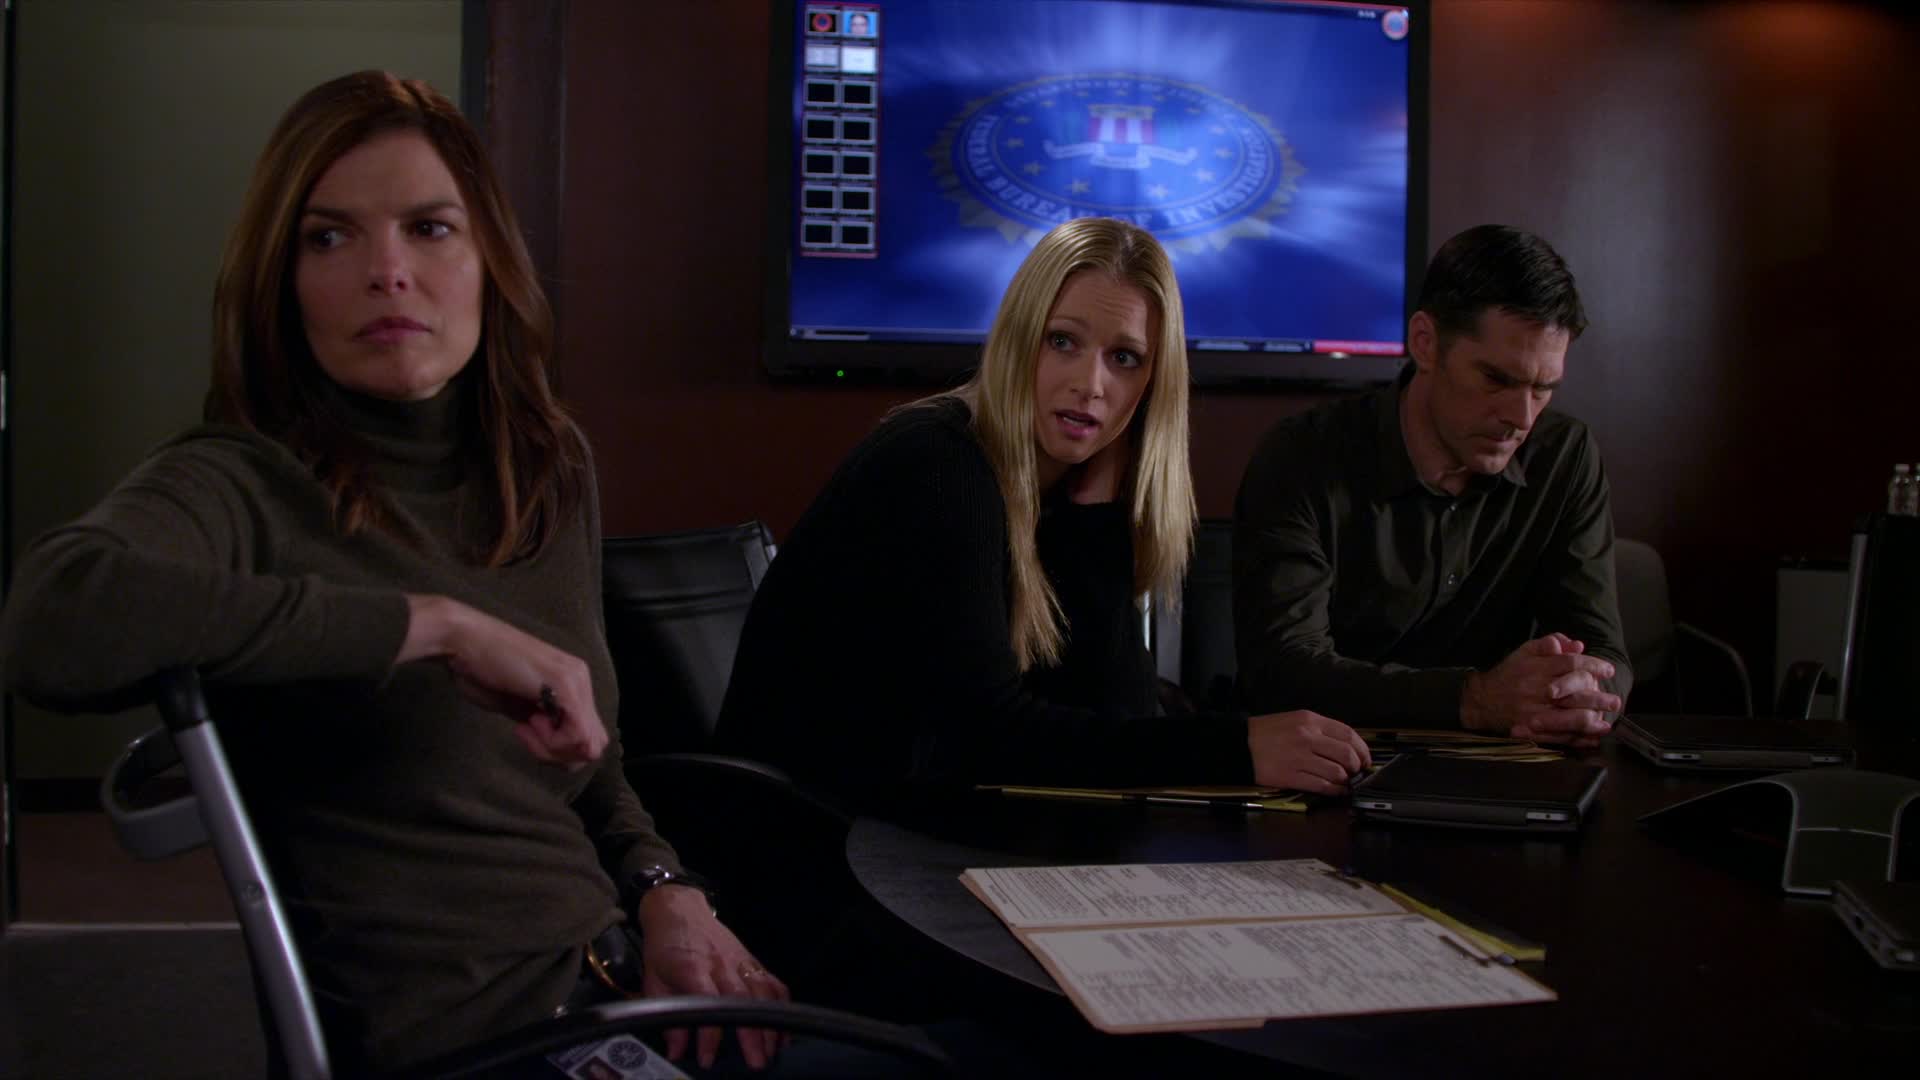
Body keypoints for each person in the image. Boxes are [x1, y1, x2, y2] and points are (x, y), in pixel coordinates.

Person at [0, 71, 785, 1075]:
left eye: (429, 228)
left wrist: (665, 888)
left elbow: (589, 759)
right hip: (481, 1043)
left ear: (489, 259)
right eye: (330, 238)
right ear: (281, 281)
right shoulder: (238, 479)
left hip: (612, 973)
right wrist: (434, 627)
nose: (388, 272)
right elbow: (53, 617)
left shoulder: (545, 465)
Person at [716, 217, 1369, 811]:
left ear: (1152, 383)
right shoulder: (938, 462)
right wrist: (1238, 749)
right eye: (1063, 342)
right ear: (1018, 339)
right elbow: (989, 735)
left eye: (1124, 359)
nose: (1091, 384)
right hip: (809, 838)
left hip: (912, 823)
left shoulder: (1058, 487)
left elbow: (1117, 711)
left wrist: (1098, 511)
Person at [1233, 224, 1631, 747]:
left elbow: (1604, 651)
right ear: (1425, 342)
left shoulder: (1564, 455)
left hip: (1505, 763)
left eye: (1543, 388)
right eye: (1497, 379)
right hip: (1334, 762)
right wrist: (1475, 699)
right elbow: (1282, 672)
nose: (1521, 418)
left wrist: (1576, 696)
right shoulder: (1302, 457)